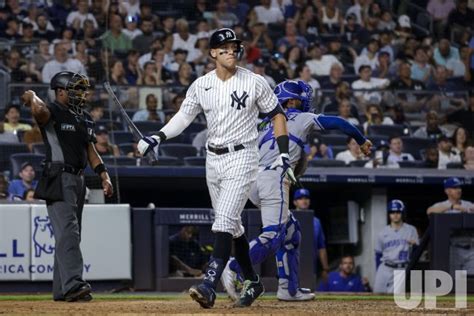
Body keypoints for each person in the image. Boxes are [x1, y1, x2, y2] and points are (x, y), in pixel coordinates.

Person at [137, 28, 291, 308]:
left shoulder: (255, 81)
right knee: (232, 227)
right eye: (225, 48)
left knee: (221, 221)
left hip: (243, 158)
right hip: (213, 159)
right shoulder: (201, 84)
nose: (231, 51)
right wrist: (157, 136)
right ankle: (253, 281)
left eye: (234, 47)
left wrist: (283, 153)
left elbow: (277, 114)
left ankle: (208, 284)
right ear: (212, 53)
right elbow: (184, 116)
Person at [220, 81, 372, 301]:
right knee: (273, 235)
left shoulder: (265, 123)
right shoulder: (301, 118)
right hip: (274, 178)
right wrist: (362, 140)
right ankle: (233, 266)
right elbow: (339, 122)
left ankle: (288, 290)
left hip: (252, 179)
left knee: (292, 233)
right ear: (291, 101)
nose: (304, 102)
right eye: (300, 99)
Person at [21, 71, 113, 302]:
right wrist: (32, 96)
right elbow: (39, 112)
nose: (81, 94)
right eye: (75, 89)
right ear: (60, 91)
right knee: (69, 231)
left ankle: (61, 289)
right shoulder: (52, 110)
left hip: (80, 179)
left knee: (69, 235)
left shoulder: (84, 116)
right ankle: (73, 285)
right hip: (59, 175)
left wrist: (104, 175)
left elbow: (91, 152)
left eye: (82, 89)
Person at [427, 177, 474, 275]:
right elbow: (429, 211)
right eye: (455, 188)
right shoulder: (442, 205)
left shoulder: (468, 204)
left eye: (459, 188)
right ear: (447, 191)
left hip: (470, 248)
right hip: (453, 248)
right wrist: (452, 207)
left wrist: (469, 210)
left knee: (471, 281)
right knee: (454, 281)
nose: (458, 190)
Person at [373, 200, 419, 294]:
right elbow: (378, 254)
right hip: (385, 267)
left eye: (398, 212)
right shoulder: (382, 232)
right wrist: (378, 271)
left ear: (402, 213)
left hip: (401, 268)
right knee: (377, 293)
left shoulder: (411, 230)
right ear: (389, 214)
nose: (395, 215)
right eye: (392, 212)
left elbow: (417, 253)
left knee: (393, 297)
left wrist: (414, 246)